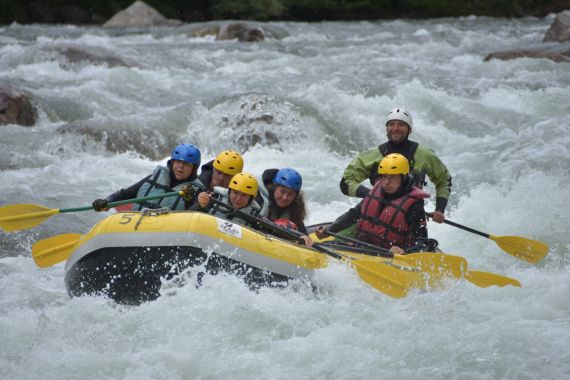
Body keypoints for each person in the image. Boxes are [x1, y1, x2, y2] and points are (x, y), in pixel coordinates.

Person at [340, 107, 451, 223]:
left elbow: (443, 180)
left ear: (410, 130)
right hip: (375, 214)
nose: (395, 128)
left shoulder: (425, 155)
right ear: (387, 129)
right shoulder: (372, 156)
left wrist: (440, 209)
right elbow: (346, 182)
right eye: (391, 124)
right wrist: (372, 195)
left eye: (401, 125)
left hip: (412, 218)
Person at [318, 153, 431, 255]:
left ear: (403, 177)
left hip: (388, 256)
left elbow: (422, 241)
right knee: (324, 247)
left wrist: (403, 250)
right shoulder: (377, 190)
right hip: (363, 247)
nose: (386, 182)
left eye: (392, 177)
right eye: (384, 176)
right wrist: (330, 229)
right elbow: (353, 214)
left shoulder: (414, 203)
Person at [92, 143, 201, 212]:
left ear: (194, 168)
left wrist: (193, 202)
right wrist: (106, 202)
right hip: (138, 223)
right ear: (172, 162)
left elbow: (194, 215)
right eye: (177, 161)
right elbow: (125, 194)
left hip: (166, 233)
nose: (180, 166)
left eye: (186, 163)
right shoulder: (157, 177)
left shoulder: (197, 191)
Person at [257, 167, 313, 247]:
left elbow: (304, 235)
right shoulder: (259, 197)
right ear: (274, 188)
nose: (285, 197)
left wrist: (303, 238)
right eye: (282, 191)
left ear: (295, 196)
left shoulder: (295, 208)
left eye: (290, 194)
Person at [192, 172, 262, 225]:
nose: (238, 199)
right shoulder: (212, 200)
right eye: (235, 192)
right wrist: (199, 206)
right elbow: (190, 216)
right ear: (229, 191)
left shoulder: (256, 218)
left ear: (251, 199)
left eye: (244, 195)